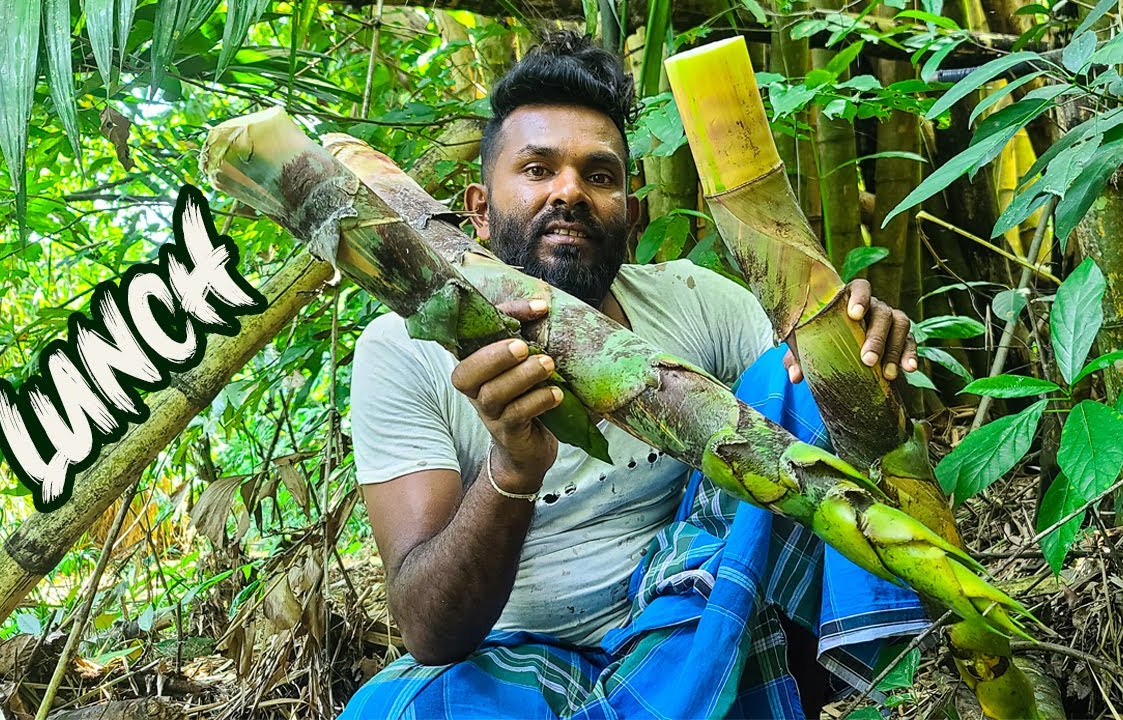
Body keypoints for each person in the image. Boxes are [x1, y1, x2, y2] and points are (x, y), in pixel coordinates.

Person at [341, 31, 926, 719]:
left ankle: (892, 686)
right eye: (536, 170)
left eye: (599, 174)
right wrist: (512, 471)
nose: (570, 192)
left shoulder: (694, 299)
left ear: (631, 209)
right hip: (521, 665)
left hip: (699, 615)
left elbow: (828, 414)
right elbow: (429, 631)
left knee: (799, 370)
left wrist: (861, 351)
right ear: (476, 209)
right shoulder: (404, 350)